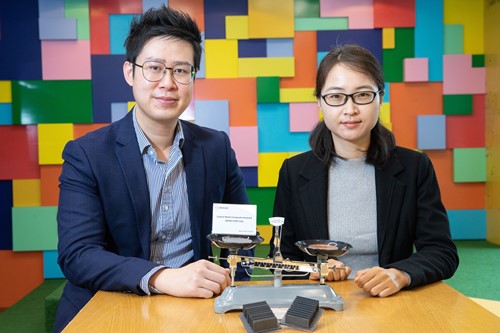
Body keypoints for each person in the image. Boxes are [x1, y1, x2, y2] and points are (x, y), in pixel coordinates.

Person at [55, 6, 251, 332]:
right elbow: (78, 254)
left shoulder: (216, 147)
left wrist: (235, 281)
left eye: (181, 70)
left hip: (195, 309)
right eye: (155, 68)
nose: (168, 83)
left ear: (193, 77)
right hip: (109, 304)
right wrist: (162, 277)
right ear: (130, 72)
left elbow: (241, 239)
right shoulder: (87, 154)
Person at [269, 44, 459, 297]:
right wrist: (313, 268)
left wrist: (400, 274)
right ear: (320, 102)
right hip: (320, 302)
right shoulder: (294, 171)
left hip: (391, 304)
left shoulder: (415, 167)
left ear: (380, 97)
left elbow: (441, 251)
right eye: (336, 97)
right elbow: (280, 256)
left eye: (362, 95)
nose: (350, 109)